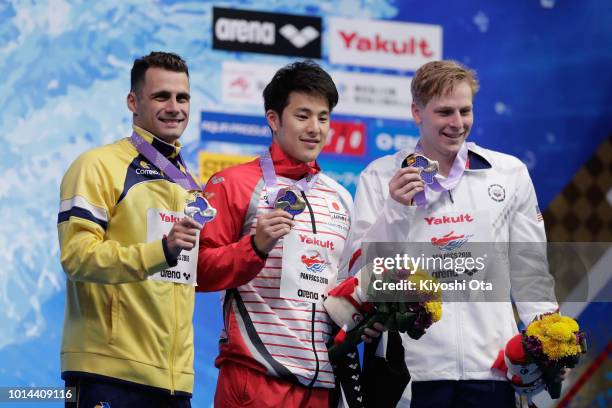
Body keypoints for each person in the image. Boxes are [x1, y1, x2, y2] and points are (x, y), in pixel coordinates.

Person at [343, 60, 558, 408]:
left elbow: (530, 269)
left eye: (465, 110)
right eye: (444, 112)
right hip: (412, 373)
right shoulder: (380, 175)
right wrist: (397, 207)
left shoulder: (508, 173)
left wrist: (548, 340)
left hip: (492, 368)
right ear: (417, 112)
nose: (457, 124)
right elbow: (362, 275)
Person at [197, 61, 377, 407]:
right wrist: (254, 247)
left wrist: (362, 319)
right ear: (273, 120)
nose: (315, 128)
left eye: (323, 118)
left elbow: (340, 287)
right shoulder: (233, 184)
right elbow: (199, 272)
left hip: (321, 385)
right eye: (302, 116)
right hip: (254, 379)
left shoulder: (340, 196)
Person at [58, 51, 206, 408]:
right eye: (161, 96)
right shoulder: (98, 165)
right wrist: (161, 251)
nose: (174, 107)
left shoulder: (190, 186)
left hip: (173, 381)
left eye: (182, 97)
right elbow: (77, 257)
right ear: (132, 101)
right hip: (107, 373)